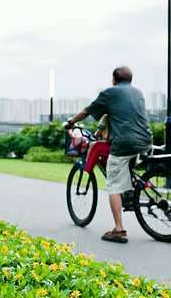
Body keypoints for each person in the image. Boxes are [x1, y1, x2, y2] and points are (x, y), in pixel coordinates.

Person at [65, 66, 152, 244]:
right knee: (126, 171)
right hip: (145, 142)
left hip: (123, 144)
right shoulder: (138, 92)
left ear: (114, 79)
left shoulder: (110, 93)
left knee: (113, 185)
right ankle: (129, 195)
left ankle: (119, 230)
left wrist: (71, 122)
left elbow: (87, 111)